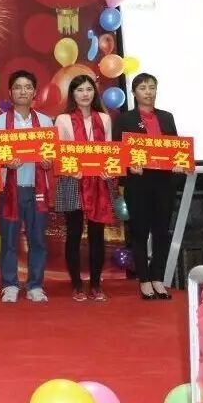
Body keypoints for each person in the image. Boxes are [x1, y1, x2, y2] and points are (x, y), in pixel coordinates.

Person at [113, 72, 183, 300]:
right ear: (134, 92)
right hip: (139, 183)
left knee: (162, 232)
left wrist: (179, 163)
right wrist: (129, 166)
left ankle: (157, 278)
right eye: (143, 88)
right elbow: (118, 152)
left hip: (164, 182)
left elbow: (176, 149)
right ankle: (144, 280)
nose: (148, 92)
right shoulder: (125, 119)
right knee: (140, 232)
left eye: (152, 87)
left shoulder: (166, 117)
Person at [0, 70, 54, 304]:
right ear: (10, 92)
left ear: (34, 92)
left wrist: (47, 162)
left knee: (37, 240)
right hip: (11, 189)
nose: (23, 91)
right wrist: (5, 162)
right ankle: (9, 285)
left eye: (27, 87)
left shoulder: (45, 122)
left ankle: (35, 285)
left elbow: (51, 157)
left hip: (37, 189)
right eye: (18, 87)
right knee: (9, 240)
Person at [54, 74, 116, 302]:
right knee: (74, 233)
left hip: (99, 181)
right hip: (73, 180)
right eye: (79, 90)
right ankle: (77, 285)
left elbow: (109, 149)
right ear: (72, 94)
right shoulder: (63, 119)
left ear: (94, 93)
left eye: (89, 89)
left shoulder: (104, 119)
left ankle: (96, 284)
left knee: (97, 234)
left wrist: (109, 169)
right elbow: (59, 152)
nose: (85, 94)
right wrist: (72, 170)